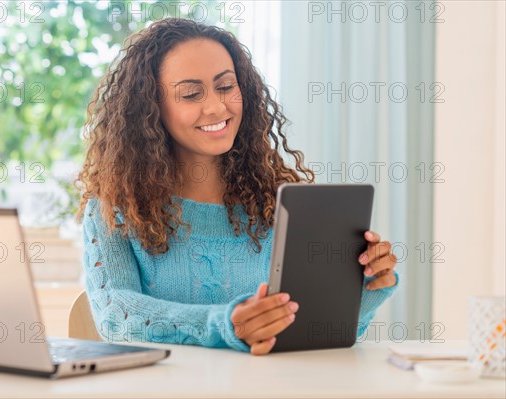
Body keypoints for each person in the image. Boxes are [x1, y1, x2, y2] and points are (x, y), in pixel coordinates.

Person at [75, 18, 399, 356]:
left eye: (226, 87)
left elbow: (312, 331)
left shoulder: (281, 204)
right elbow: (116, 314)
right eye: (190, 94)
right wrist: (226, 325)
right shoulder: (115, 209)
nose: (216, 107)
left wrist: (370, 285)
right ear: (151, 107)